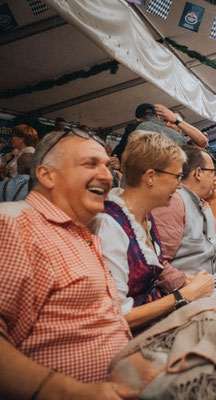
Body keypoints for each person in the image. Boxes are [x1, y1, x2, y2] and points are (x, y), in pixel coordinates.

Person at [0, 129, 137, 398]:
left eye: (107, 166)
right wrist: (70, 391)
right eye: (90, 164)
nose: (107, 176)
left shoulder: (78, 230)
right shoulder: (15, 225)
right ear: (46, 175)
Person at [90, 132, 214, 331]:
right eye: (177, 177)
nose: (179, 186)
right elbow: (117, 316)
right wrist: (183, 295)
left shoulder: (144, 215)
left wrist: (187, 281)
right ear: (150, 177)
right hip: (133, 337)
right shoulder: (110, 225)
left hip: (156, 324)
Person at [153, 146, 216, 276]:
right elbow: (158, 262)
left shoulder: (201, 203)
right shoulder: (174, 202)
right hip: (195, 286)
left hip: (213, 279)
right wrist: (185, 283)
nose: (215, 178)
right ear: (198, 173)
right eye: (213, 172)